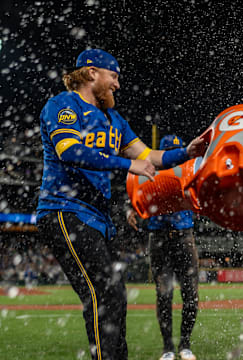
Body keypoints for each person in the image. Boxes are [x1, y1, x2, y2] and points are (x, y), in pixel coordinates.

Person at [36, 48, 206, 360]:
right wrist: (126, 165)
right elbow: (69, 151)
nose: (117, 84)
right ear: (91, 74)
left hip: (98, 218)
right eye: (113, 76)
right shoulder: (63, 105)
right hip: (64, 210)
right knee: (104, 292)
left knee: (115, 295)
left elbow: (151, 156)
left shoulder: (114, 119)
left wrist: (188, 152)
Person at [127, 135, 198, 360]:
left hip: (183, 236)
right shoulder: (149, 170)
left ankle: (185, 344)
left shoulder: (189, 170)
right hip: (158, 238)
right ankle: (168, 348)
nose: (174, 157)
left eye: (176, 151)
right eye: (170, 152)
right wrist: (129, 208)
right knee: (164, 294)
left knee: (191, 294)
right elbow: (132, 190)